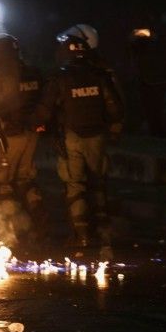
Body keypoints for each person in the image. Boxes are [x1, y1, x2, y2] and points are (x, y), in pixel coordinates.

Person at [34, 27, 124, 261]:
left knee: (75, 185)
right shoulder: (99, 74)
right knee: (99, 183)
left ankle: (82, 235)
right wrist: (114, 130)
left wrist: (35, 126)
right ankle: (104, 234)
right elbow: (114, 106)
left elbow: (44, 110)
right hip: (97, 136)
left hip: (71, 137)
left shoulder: (59, 77)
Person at [0, 33, 45, 248]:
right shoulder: (33, 72)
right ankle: (37, 230)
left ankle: (10, 234)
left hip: (8, 135)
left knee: (2, 182)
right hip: (31, 133)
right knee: (26, 180)